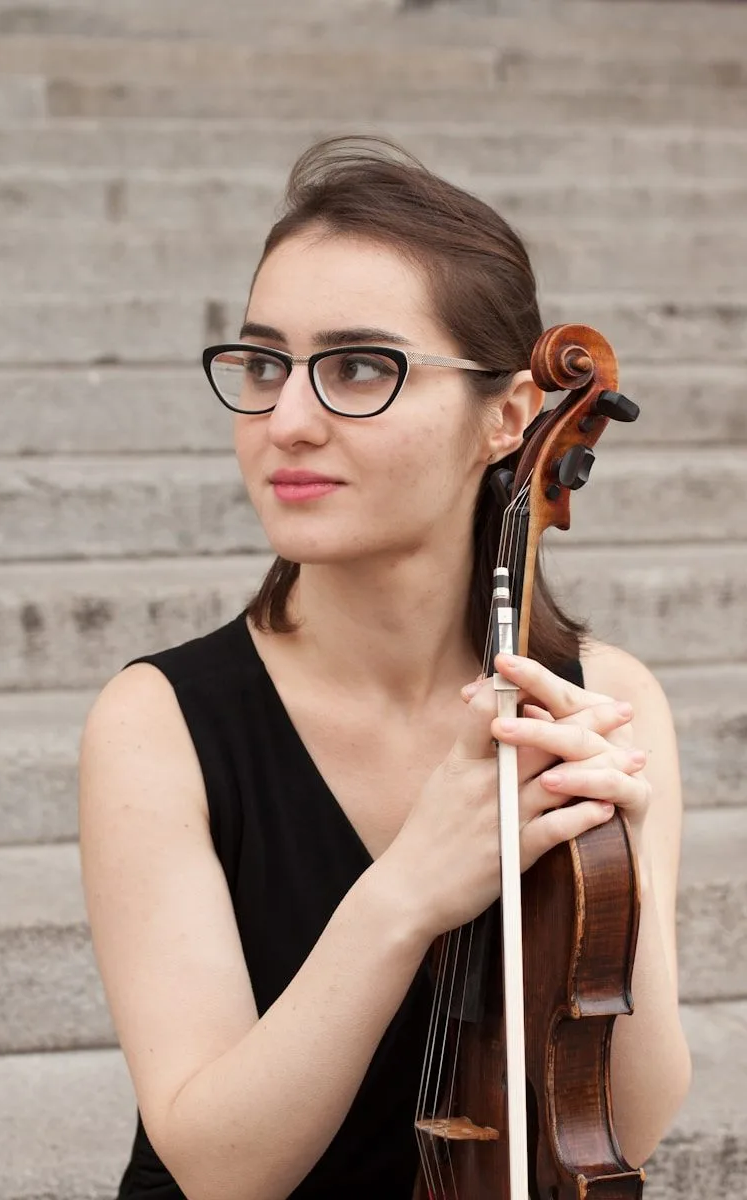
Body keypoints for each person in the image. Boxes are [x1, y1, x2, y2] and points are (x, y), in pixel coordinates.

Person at [78, 137, 691, 1200]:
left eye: (359, 367)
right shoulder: (156, 723)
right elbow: (219, 1168)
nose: (287, 422)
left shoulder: (609, 702)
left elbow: (622, 1130)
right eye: (264, 365)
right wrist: (407, 890)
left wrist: (614, 868)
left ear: (508, 418)